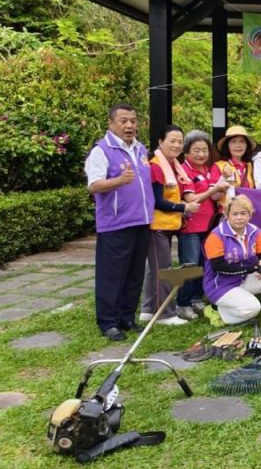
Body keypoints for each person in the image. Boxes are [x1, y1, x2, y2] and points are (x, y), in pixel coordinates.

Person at [85, 103, 154, 341]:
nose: (129, 126)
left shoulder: (141, 149)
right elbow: (94, 185)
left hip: (142, 222)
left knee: (134, 274)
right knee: (112, 275)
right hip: (116, 224)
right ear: (111, 124)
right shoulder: (102, 150)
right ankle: (108, 322)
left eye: (133, 121)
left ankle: (126, 317)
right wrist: (118, 180)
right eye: (123, 121)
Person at [202, 195, 261, 327]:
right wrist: (249, 269)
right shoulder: (216, 235)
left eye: (243, 213)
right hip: (221, 285)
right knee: (253, 309)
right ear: (227, 215)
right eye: (235, 214)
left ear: (250, 215)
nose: (239, 217)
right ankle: (215, 310)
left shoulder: (254, 231)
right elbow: (218, 266)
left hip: (243, 278)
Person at [141, 125, 196, 326]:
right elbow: (157, 201)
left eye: (180, 141)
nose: (176, 145)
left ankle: (147, 310)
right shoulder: (156, 166)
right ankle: (165, 314)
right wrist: (184, 207)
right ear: (160, 142)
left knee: (154, 268)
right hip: (157, 226)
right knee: (163, 269)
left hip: (167, 225)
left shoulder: (173, 165)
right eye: (172, 141)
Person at [177, 131, 228, 321]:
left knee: (203, 263)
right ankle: (182, 303)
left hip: (208, 225)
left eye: (204, 150)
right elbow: (190, 198)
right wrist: (214, 189)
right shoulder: (184, 170)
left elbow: (214, 196)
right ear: (187, 152)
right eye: (196, 150)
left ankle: (197, 298)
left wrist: (221, 188)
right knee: (190, 264)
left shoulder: (207, 170)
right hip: (190, 226)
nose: (201, 154)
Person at [215, 125, 255, 190]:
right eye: (233, 141)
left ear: (247, 145)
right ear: (227, 145)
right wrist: (224, 178)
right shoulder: (218, 166)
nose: (238, 145)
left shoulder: (250, 166)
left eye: (242, 141)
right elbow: (213, 196)